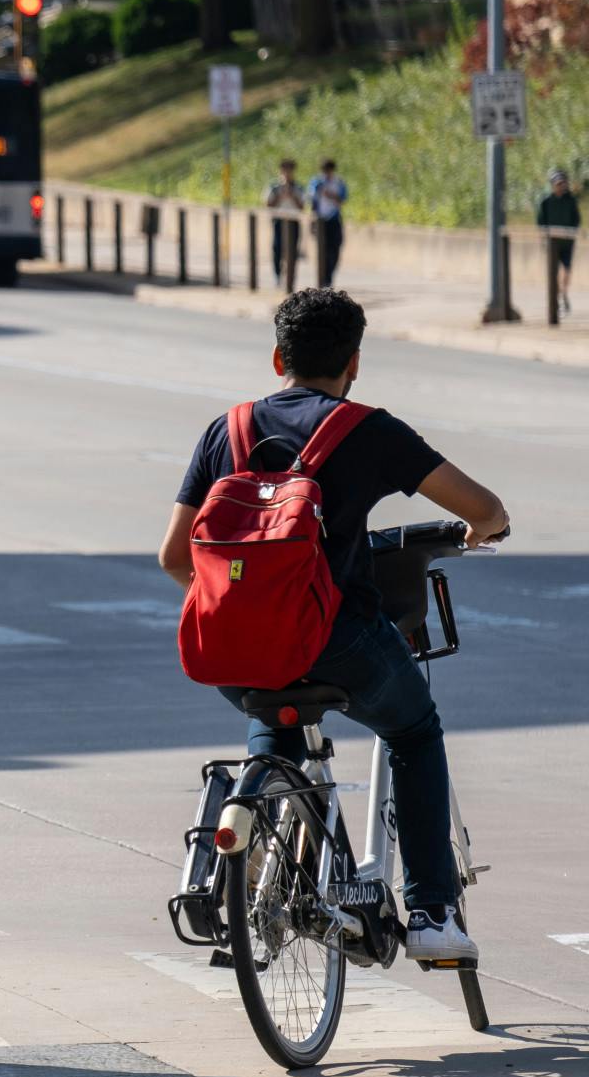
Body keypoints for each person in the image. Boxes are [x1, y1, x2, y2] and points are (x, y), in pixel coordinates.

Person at [157, 288, 510, 963]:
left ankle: (254, 867)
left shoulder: (225, 430)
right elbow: (485, 507)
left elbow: (176, 557)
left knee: (275, 725)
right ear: (354, 362)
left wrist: (245, 607)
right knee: (413, 729)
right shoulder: (367, 429)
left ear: (276, 357)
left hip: (234, 653)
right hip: (339, 640)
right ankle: (433, 912)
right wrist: (480, 530)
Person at [537, 167, 580, 314]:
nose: (561, 186)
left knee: (567, 269)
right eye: (558, 183)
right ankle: (554, 299)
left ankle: (563, 294)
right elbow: (541, 221)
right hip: (552, 243)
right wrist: (545, 235)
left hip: (567, 242)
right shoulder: (546, 200)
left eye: (563, 183)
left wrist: (573, 232)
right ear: (552, 184)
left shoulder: (571, 199)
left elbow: (576, 219)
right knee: (553, 273)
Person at [263, 158, 307, 288]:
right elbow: (268, 204)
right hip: (279, 221)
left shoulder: (298, 187)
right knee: (277, 248)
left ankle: (291, 279)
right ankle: (278, 275)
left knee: (293, 251)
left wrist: (292, 195)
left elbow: (302, 206)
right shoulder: (274, 187)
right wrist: (280, 196)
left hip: (293, 221)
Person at [311, 158, 348, 287]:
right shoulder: (317, 182)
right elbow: (312, 200)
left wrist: (331, 195)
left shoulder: (339, 183)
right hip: (321, 220)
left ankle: (329, 276)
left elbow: (343, 199)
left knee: (335, 249)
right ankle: (324, 279)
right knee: (323, 251)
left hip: (334, 219)